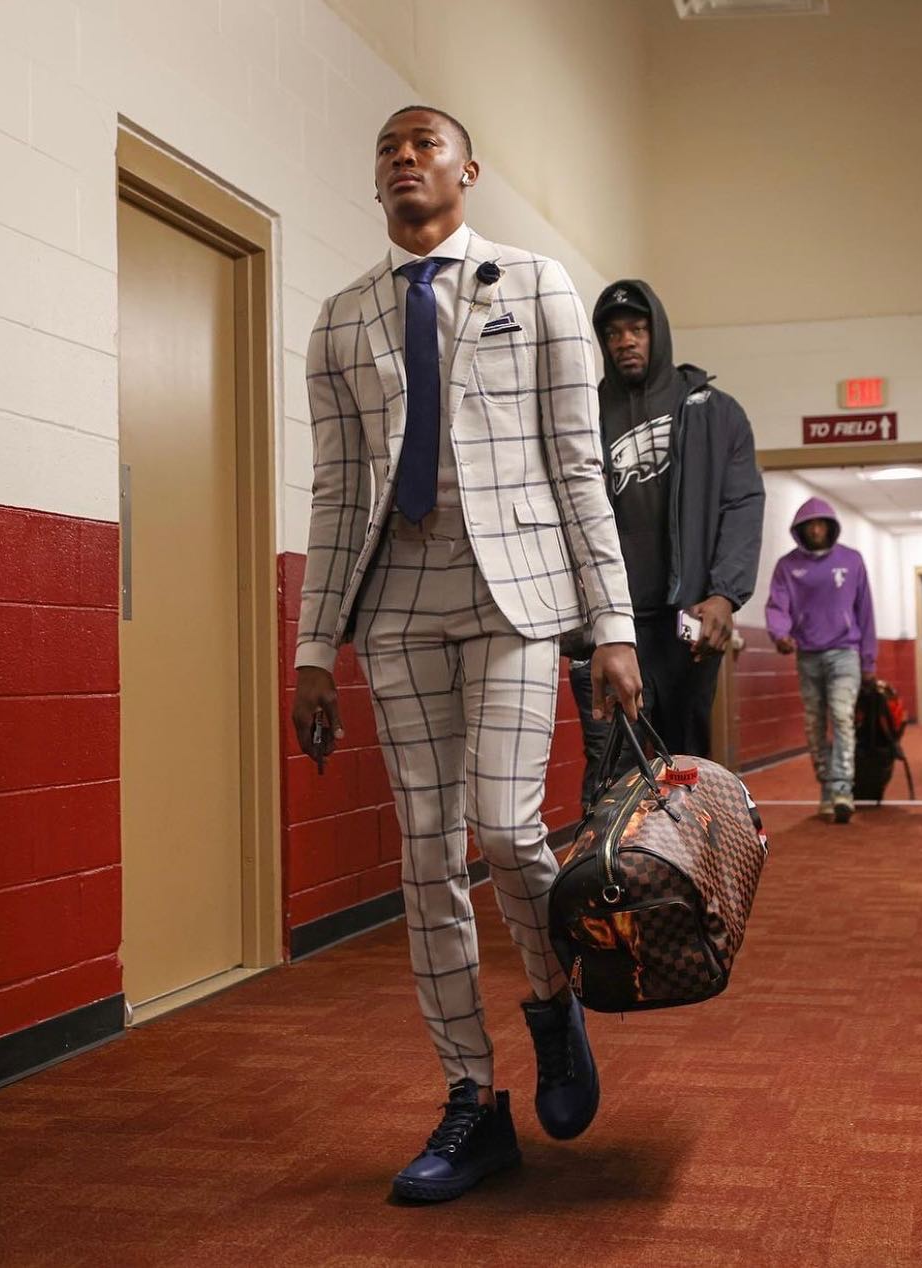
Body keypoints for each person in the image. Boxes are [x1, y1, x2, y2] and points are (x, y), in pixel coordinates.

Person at [291, 105, 643, 1203]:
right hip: (393, 604)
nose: (403, 156)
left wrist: (614, 624)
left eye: (424, 143)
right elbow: (338, 491)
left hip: (515, 595)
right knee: (425, 858)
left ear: (466, 170)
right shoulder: (340, 320)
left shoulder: (532, 284)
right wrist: (312, 646)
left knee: (502, 829)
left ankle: (550, 1000)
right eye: (386, 146)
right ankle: (468, 1100)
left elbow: (576, 465)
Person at [564, 280, 764, 803]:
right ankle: (613, 883)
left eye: (636, 329)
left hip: (687, 629)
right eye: (613, 333)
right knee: (611, 772)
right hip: (607, 629)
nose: (625, 341)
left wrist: (725, 593)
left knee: (684, 772)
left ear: (658, 333)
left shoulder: (713, 412)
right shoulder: (582, 413)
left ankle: (683, 882)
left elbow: (741, 505)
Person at [765, 498, 877, 823]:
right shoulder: (788, 566)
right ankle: (827, 788)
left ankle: (843, 789)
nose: (816, 529)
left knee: (841, 717)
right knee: (814, 724)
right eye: (809, 525)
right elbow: (777, 605)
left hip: (846, 652)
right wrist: (780, 634)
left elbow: (865, 612)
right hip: (808, 654)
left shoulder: (851, 561)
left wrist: (869, 662)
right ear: (801, 530)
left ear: (830, 526)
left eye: (821, 523)